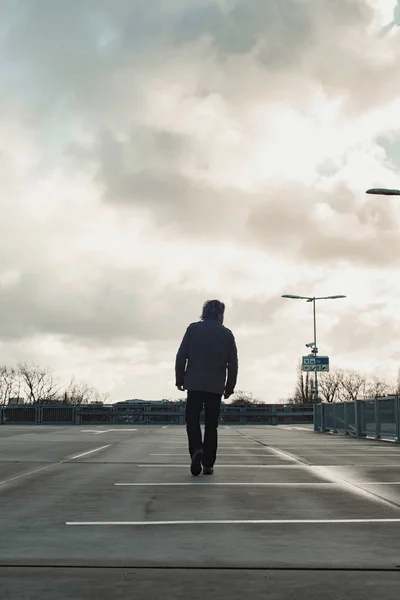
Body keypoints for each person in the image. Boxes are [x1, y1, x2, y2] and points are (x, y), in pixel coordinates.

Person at [175, 299, 238, 476]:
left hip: (194, 384)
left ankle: (196, 449)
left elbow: (181, 356)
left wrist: (180, 378)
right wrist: (229, 386)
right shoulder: (226, 334)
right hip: (215, 386)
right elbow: (232, 363)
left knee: (192, 419)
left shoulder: (193, 329)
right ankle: (208, 464)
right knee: (211, 425)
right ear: (221, 314)